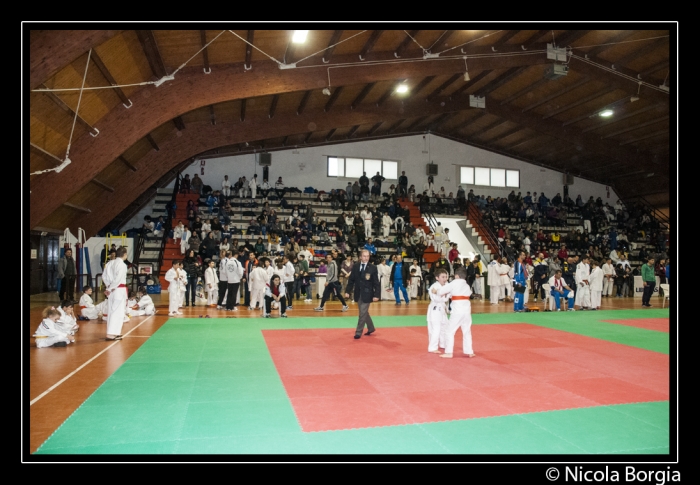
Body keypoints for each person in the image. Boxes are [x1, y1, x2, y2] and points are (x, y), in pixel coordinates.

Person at [432, 266, 474, 358]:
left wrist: (436, 291)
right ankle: (469, 351)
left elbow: (442, 291)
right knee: (466, 331)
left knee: (449, 331)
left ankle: (449, 352)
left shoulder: (454, 283)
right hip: (467, 311)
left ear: (457, 275)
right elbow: (465, 294)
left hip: (457, 310)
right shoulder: (466, 285)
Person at [345, 249, 381, 339]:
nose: (366, 258)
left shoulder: (373, 267)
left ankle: (358, 332)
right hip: (358, 293)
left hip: (368, 293)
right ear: (360, 257)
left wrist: (377, 295)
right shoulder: (356, 266)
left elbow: (376, 283)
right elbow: (351, 280)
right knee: (363, 313)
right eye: (364, 256)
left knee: (362, 313)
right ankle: (371, 328)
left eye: (368, 256)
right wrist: (347, 291)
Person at [102, 247, 129, 340]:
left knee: (112, 310)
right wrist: (111, 287)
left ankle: (114, 332)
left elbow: (104, 276)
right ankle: (111, 333)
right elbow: (118, 278)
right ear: (124, 254)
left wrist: (108, 286)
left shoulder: (109, 263)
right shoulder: (122, 265)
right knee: (117, 311)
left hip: (112, 290)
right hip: (118, 289)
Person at [427, 268, 449, 353]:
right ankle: (432, 347)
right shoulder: (434, 286)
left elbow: (448, 296)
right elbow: (437, 299)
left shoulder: (446, 285)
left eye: (446, 277)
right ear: (437, 278)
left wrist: (440, 292)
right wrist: (441, 293)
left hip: (442, 309)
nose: (445, 279)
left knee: (445, 326)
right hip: (435, 309)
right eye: (443, 277)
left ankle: (443, 344)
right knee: (436, 328)